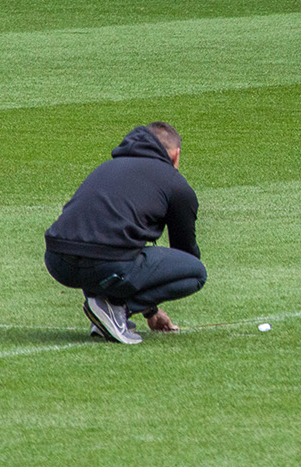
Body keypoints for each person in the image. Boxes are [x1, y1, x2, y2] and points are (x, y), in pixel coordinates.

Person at [44, 123, 206, 344]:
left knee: (107, 248)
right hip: (103, 265)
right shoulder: (175, 184)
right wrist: (141, 304)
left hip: (57, 262)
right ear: (175, 155)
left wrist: (152, 312)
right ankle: (116, 309)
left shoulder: (107, 168)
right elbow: (185, 253)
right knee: (195, 272)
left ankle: (107, 313)